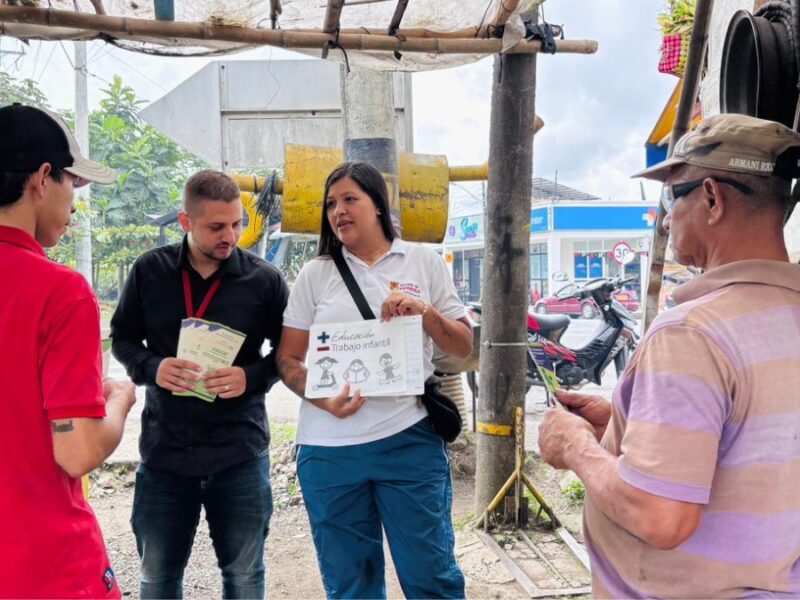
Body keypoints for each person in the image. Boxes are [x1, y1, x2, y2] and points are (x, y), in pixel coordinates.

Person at [538, 113, 800, 598]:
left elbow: (660, 516)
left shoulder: (692, 333)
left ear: (712, 199)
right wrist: (622, 422)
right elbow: (759, 447)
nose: (663, 217)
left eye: (669, 196)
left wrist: (575, 447)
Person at [276, 161, 473, 599]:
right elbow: (287, 360)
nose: (338, 211)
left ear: (379, 206)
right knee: (351, 586)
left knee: (431, 577)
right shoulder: (315, 274)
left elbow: (462, 345)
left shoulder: (422, 261)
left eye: (350, 199)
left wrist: (424, 312)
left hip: (408, 440)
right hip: (328, 451)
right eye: (331, 204)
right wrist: (322, 398)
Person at [110, 170, 289, 599]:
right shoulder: (150, 271)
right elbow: (122, 340)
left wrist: (251, 376)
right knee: (157, 578)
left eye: (237, 223)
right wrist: (153, 367)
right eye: (216, 227)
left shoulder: (264, 280)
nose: (230, 236)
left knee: (244, 577)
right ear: (185, 221)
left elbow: (287, 355)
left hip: (239, 451)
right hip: (166, 453)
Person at [0, 103, 137, 598]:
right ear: (42, 179)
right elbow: (77, 451)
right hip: (42, 564)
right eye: (72, 185)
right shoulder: (59, 291)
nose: (74, 205)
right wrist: (119, 400)